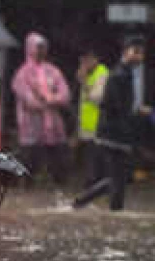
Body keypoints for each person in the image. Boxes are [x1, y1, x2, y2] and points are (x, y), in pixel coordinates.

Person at [73, 35, 151, 211]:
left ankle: (82, 202)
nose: (140, 57)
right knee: (120, 177)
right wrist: (132, 114)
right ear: (125, 52)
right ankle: (114, 211)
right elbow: (111, 104)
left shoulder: (126, 74)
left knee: (121, 177)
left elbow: (121, 105)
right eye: (136, 52)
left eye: (142, 53)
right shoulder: (118, 75)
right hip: (114, 134)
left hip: (119, 133)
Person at [11, 32, 72, 185]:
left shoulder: (53, 70)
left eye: (43, 47)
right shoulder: (22, 73)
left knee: (58, 156)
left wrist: (51, 99)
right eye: (38, 47)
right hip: (30, 125)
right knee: (30, 158)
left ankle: (59, 183)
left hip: (53, 124)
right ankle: (27, 186)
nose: (41, 51)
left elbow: (65, 94)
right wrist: (49, 102)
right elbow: (27, 99)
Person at [74, 46, 109, 187]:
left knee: (98, 155)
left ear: (94, 59)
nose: (83, 64)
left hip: (99, 123)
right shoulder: (88, 74)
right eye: (81, 61)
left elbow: (97, 98)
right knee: (89, 155)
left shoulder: (102, 73)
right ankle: (91, 180)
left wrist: (83, 82)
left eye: (86, 61)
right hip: (87, 124)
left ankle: (97, 181)